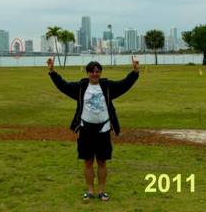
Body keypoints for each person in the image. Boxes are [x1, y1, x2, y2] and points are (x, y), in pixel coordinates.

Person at [47, 56, 140, 202]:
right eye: (91, 71)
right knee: (88, 161)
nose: (94, 74)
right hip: (85, 129)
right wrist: (52, 72)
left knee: (102, 161)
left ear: (100, 72)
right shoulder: (81, 87)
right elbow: (63, 86)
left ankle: (102, 191)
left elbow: (124, 85)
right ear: (87, 73)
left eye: (97, 71)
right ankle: (90, 191)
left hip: (103, 129)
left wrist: (134, 72)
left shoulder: (107, 86)